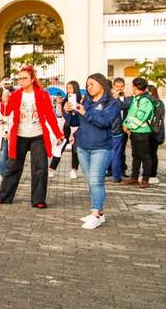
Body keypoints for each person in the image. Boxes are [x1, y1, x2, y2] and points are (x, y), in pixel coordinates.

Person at [0, 66, 63, 208]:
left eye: (25, 78)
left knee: (40, 168)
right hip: (19, 135)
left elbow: (50, 116)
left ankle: (39, 200)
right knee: (12, 166)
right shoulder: (15, 95)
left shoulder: (42, 95)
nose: (21, 81)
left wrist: (58, 134)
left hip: (38, 135)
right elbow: (6, 112)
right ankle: (4, 196)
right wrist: (1, 97)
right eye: (19, 78)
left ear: (32, 79)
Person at [65, 73, 119, 230]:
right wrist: (69, 112)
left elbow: (104, 122)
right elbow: (75, 122)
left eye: (92, 84)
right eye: (87, 84)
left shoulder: (111, 103)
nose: (89, 87)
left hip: (101, 148)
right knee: (90, 181)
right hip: (83, 146)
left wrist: (85, 113)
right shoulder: (86, 102)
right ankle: (99, 213)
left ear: (102, 85)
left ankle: (95, 214)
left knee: (96, 181)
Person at [123, 77, 155, 188]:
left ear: (135, 87)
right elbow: (131, 115)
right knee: (136, 155)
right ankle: (134, 177)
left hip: (142, 132)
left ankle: (145, 179)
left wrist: (128, 126)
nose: (131, 88)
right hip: (135, 132)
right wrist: (126, 125)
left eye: (132, 86)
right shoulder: (137, 98)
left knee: (145, 156)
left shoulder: (145, 100)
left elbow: (140, 117)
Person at [49, 81, 82, 180]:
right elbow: (59, 115)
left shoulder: (81, 101)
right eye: (67, 88)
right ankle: (52, 169)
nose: (68, 90)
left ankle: (74, 170)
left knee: (75, 150)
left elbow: (81, 116)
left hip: (77, 128)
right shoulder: (64, 101)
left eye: (71, 88)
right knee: (59, 148)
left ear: (75, 88)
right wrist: (59, 104)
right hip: (66, 128)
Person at [111, 77, 131, 180]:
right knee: (111, 150)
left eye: (121, 86)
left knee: (122, 150)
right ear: (113, 86)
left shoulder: (128, 99)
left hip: (125, 128)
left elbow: (126, 108)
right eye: (117, 86)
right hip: (114, 128)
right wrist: (115, 98)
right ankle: (111, 170)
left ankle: (122, 169)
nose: (119, 88)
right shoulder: (110, 98)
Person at [0, 89, 13, 183]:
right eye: (3, 95)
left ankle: (10, 174)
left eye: (6, 95)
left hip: (11, 133)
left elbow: (15, 120)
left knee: (11, 155)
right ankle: (1, 174)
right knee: (1, 154)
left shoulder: (13, 106)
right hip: (1, 133)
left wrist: (11, 131)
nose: (5, 97)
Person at [146, 85, 165, 184]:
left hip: (154, 132)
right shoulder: (159, 102)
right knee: (151, 154)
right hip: (156, 132)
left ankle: (152, 174)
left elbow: (156, 119)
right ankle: (150, 174)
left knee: (151, 154)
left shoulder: (156, 102)